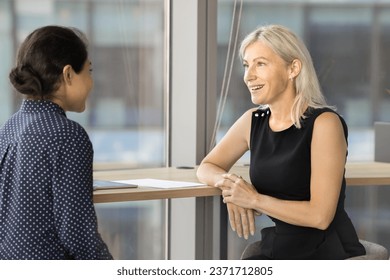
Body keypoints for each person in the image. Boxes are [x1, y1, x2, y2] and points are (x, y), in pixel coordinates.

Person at [197, 24, 366, 259]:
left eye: (260, 64)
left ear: (293, 68)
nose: (248, 75)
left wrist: (254, 199)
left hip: (327, 251)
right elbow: (206, 167)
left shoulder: (325, 124)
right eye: (246, 65)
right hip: (282, 246)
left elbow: (320, 216)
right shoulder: (252, 121)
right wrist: (231, 185)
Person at [0, 25, 113, 259]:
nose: (92, 82)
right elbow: (78, 235)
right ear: (68, 74)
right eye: (89, 71)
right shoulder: (68, 136)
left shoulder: (10, 127)